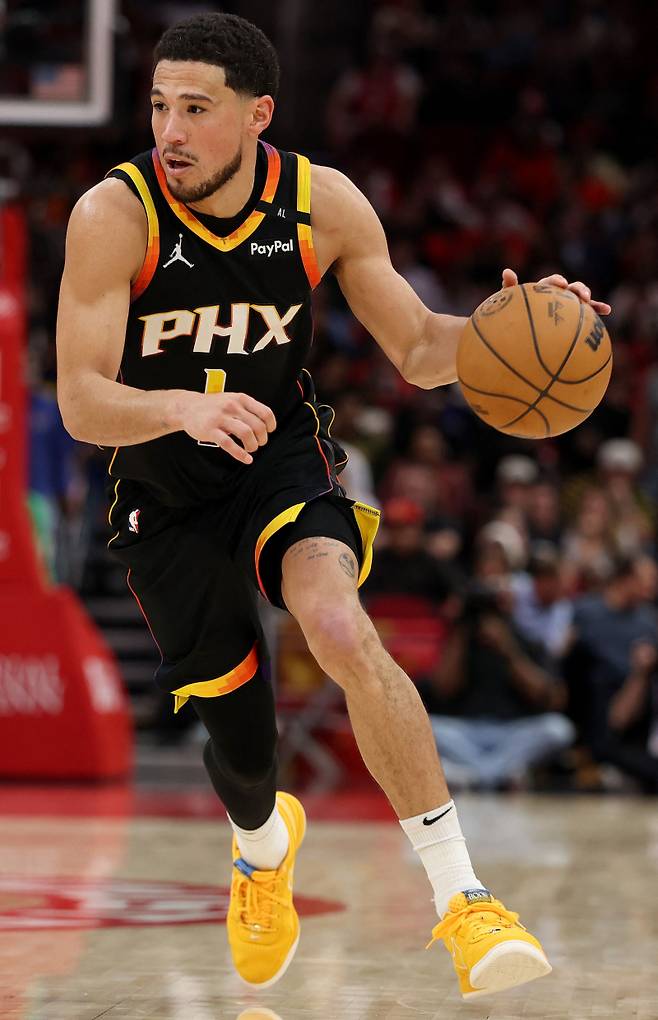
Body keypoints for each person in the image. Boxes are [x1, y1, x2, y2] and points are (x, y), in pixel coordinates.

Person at [55, 12, 610, 999]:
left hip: (277, 460)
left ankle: (464, 901)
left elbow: (420, 350)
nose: (168, 129)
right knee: (243, 753)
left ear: (257, 115)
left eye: (195, 109)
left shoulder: (324, 206)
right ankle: (262, 847)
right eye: (157, 106)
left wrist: (507, 331)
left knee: (339, 625)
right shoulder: (117, 214)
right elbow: (81, 398)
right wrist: (180, 405)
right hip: (163, 488)